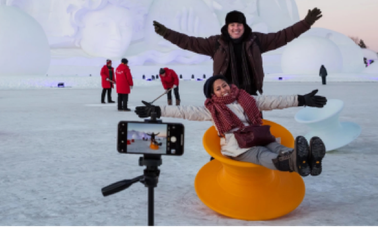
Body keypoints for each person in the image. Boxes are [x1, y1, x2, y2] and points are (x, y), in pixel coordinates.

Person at [135, 75, 328, 177]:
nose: (223, 89)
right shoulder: (212, 110)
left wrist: (302, 99)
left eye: (224, 85)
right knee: (261, 155)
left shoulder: (246, 98)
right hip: (238, 145)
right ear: (213, 94)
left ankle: (306, 159)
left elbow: (274, 101)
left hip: (258, 135)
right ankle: (292, 162)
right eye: (218, 89)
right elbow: (185, 111)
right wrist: (158, 110)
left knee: (275, 147)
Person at [152, 9, 323, 95]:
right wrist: (167, 33)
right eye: (232, 25)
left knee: (254, 132)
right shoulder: (216, 43)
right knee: (226, 133)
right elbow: (189, 42)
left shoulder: (256, 40)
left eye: (239, 25)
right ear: (227, 27)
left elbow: (282, 36)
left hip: (249, 94)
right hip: (225, 95)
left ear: (244, 26)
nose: (236, 28)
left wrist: (306, 23)